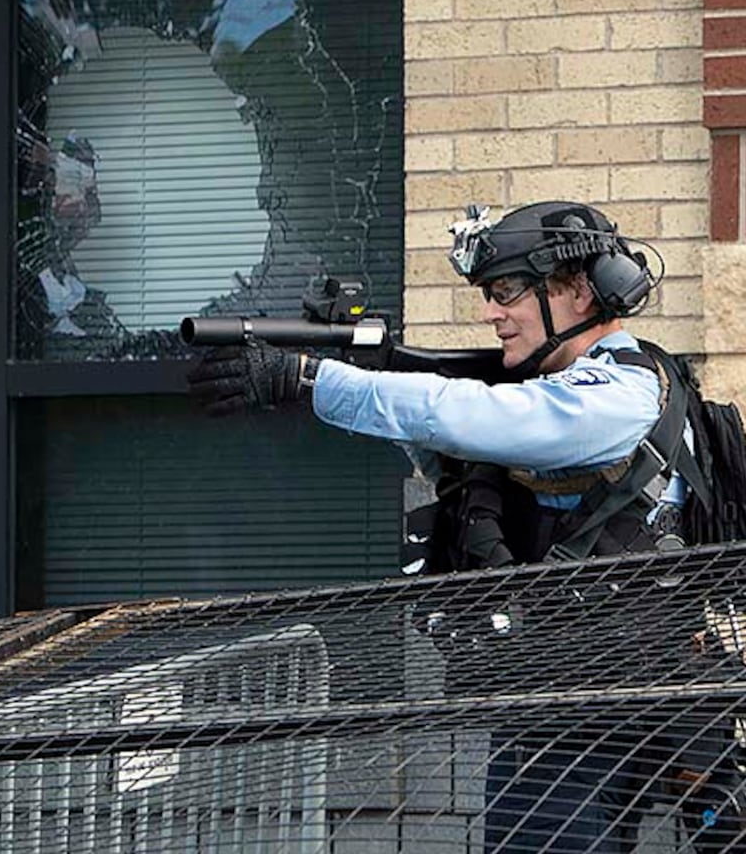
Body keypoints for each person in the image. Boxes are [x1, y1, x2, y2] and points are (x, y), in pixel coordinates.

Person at [187, 200, 718, 852]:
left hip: (590, 719)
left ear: (579, 291)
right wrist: (375, 375)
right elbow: (459, 455)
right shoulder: (567, 386)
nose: (491, 312)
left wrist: (312, 380)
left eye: (508, 292)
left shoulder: (621, 393)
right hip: (570, 699)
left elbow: (468, 415)